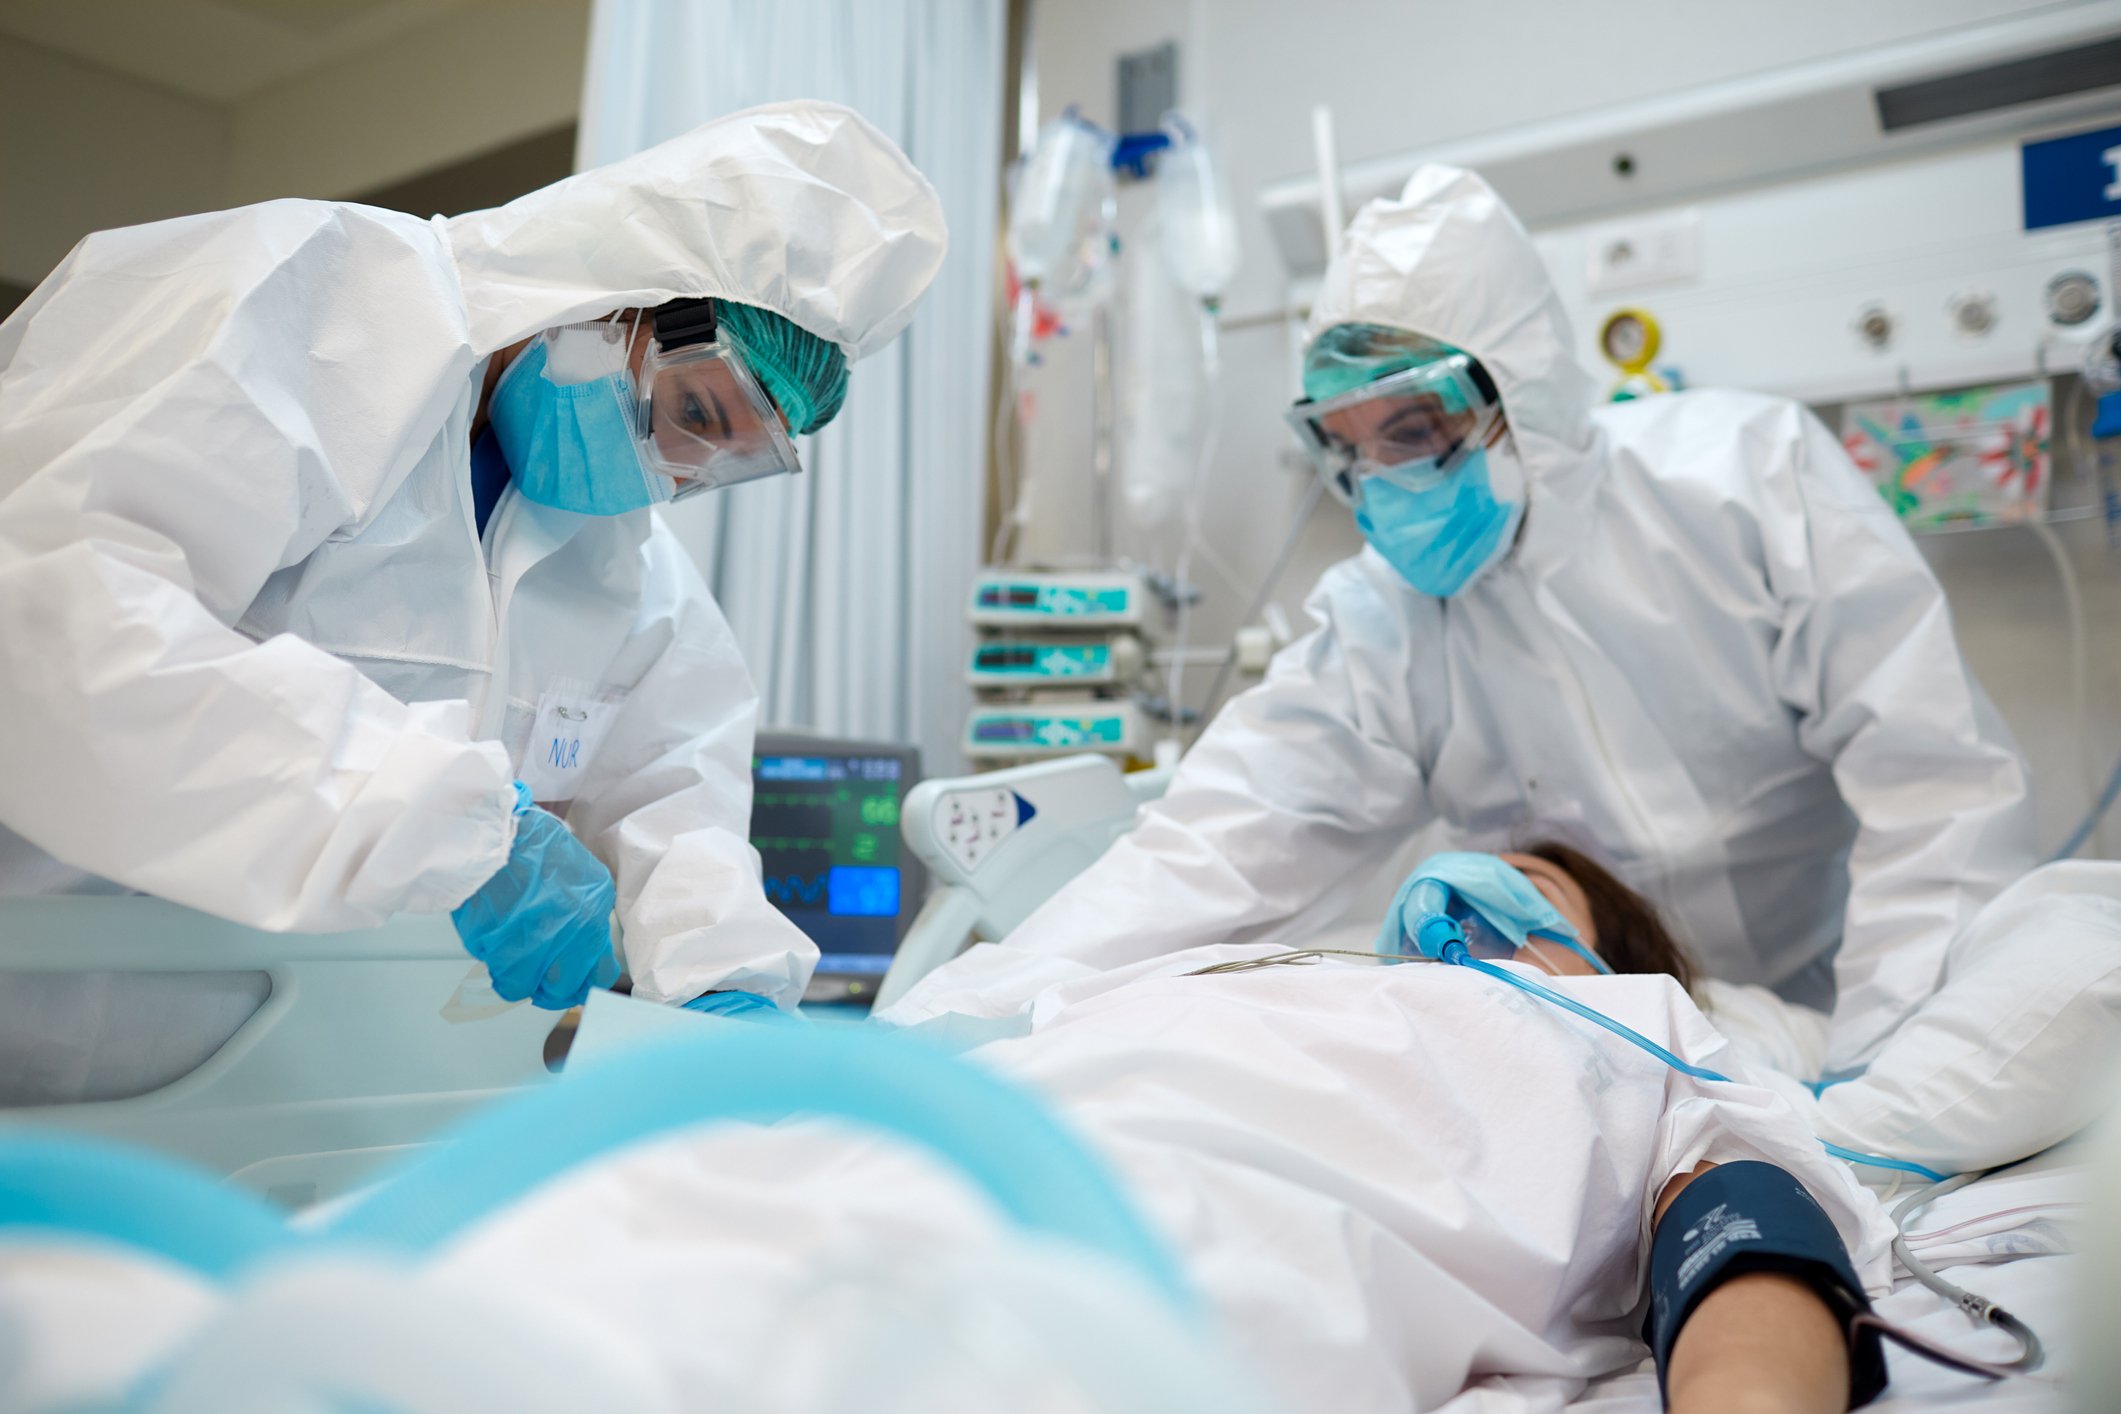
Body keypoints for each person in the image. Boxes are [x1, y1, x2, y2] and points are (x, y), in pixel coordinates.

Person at [987, 164, 2035, 1072]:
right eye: (1350, 446)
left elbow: (1935, 789)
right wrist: (973, 1012)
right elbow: (1211, 850)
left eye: (1413, 430)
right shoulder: (1381, 623)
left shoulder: (1750, 482)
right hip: (1587, 1048)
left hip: (1829, 1007)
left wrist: (1887, 1077)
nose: (1382, 479)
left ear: (1518, 396)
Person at [0, 102, 947, 1047]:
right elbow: (53, 620)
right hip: (43, 992)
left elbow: (675, 787)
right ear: (616, 296)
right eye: (693, 412)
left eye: (724, 461)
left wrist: (723, 980)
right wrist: (443, 825)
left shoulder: (621, 558)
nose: (673, 472)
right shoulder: (312, 306)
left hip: (289, 1070)